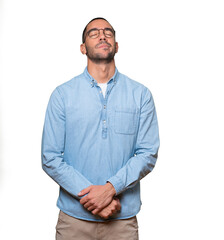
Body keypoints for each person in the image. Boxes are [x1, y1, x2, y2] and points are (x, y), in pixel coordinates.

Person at [41, 17, 160, 240]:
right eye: (93, 33)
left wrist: (110, 189)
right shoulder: (62, 95)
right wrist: (95, 200)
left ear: (116, 45)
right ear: (82, 48)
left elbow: (147, 154)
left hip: (122, 220)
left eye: (108, 32)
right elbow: (50, 158)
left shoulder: (141, 95)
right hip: (73, 220)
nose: (102, 35)